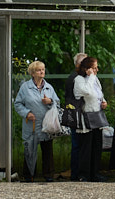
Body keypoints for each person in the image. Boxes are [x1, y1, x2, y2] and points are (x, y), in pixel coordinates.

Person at [14, 60, 60, 182]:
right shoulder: (25, 87)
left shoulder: (49, 87)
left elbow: (57, 102)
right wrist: (26, 113)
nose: (42, 72)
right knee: (30, 150)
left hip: (46, 124)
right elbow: (17, 104)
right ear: (32, 73)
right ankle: (29, 175)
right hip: (32, 125)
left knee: (47, 151)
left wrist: (50, 101)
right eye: (39, 70)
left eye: (43, 69)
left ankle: (49, 175)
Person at [73, 56, 108, 182]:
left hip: (96, 116)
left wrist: (103, 101)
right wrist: (91, 76)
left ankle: (95, 173)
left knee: (96, 146)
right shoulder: (79, 80)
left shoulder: (95, 79)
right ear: (87, 69)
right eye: (94, 68)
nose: (96, 70)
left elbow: (99, 93)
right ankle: (84, 174)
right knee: (86, 147)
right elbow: (87, 91)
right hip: (86, 116)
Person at [65, 53, 87, 181]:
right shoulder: (75, 78)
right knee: (77, 144)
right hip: (76, 114)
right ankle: (76, 173)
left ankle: (77, 173)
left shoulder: (75, 77)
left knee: (78, 144)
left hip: (75, 113)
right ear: (78, 64)